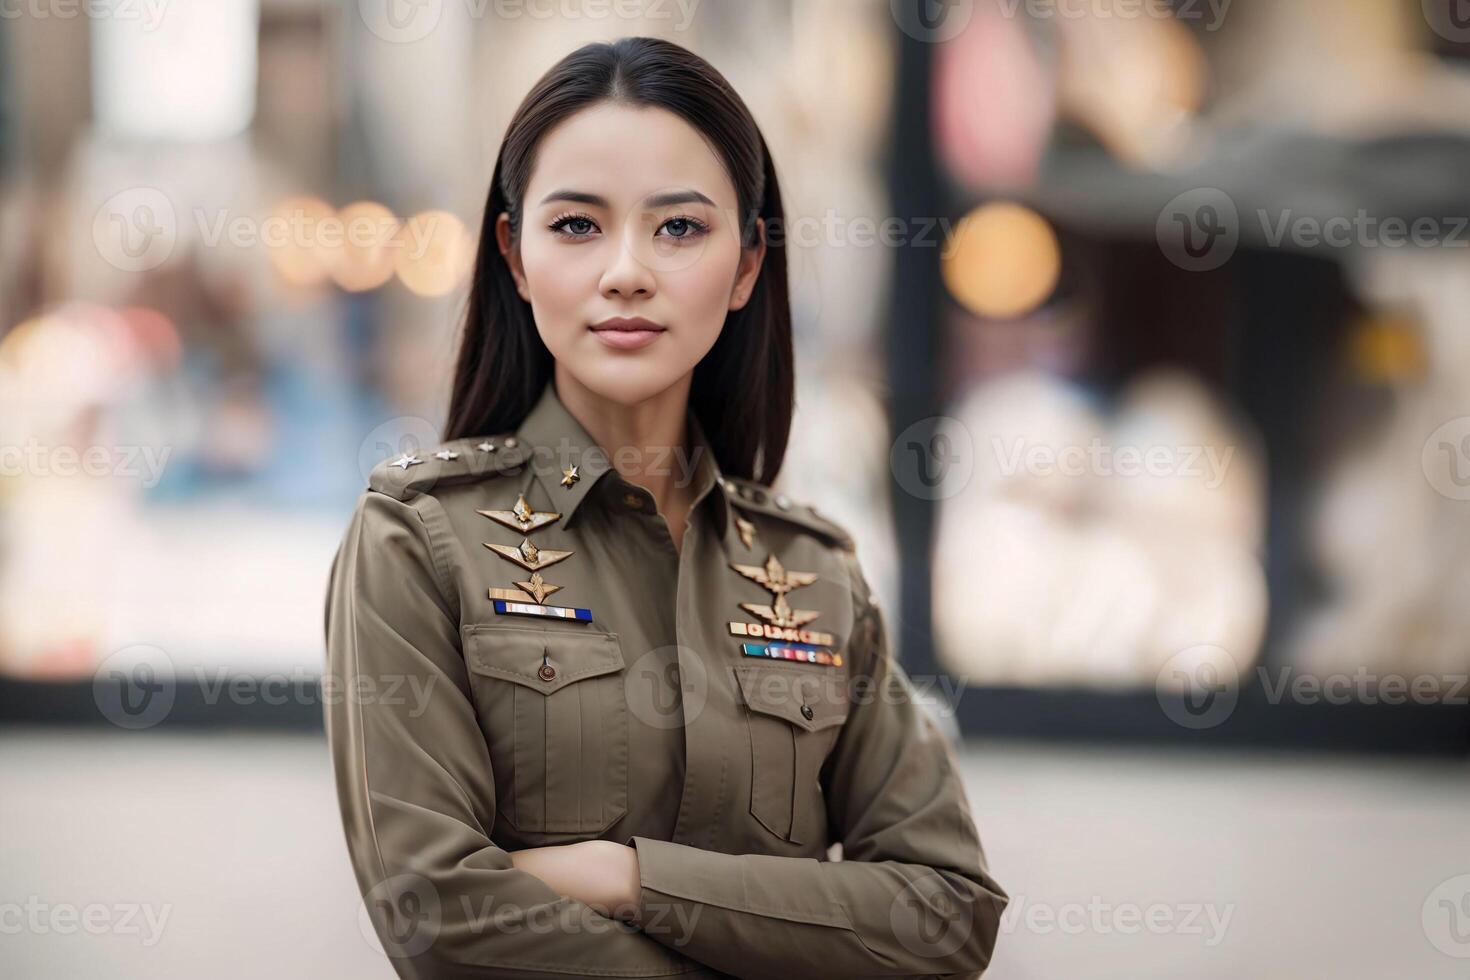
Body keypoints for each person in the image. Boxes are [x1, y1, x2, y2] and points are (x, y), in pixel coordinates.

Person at [324, 35, 1006, 980]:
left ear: (746, 265)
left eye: (679, 228)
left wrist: (628, 877)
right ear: (514, 257)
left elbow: (948, 915)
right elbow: (439, 915)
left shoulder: (814, 573)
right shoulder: (418, 541)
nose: (627, 271)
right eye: (576, 226)